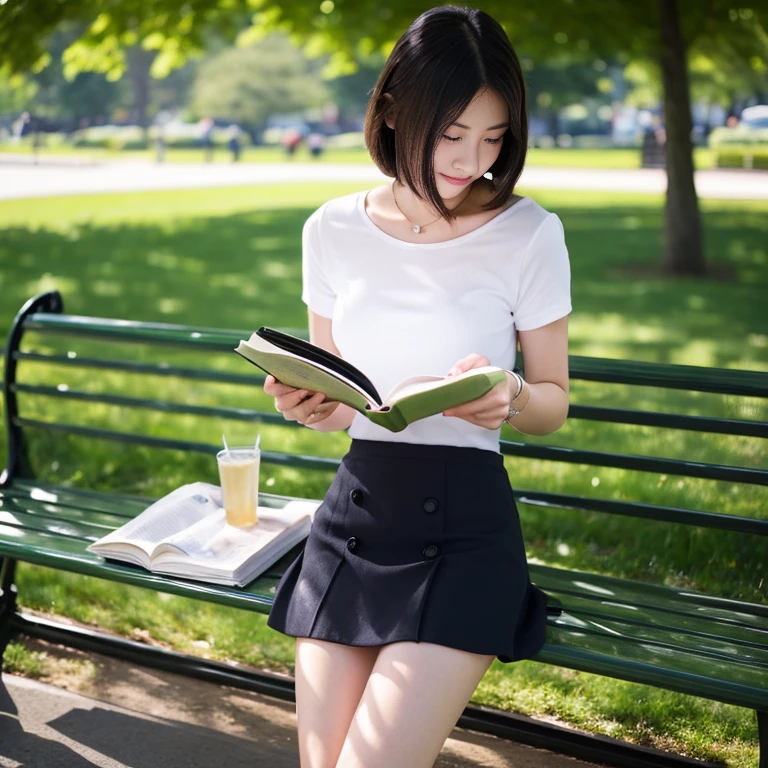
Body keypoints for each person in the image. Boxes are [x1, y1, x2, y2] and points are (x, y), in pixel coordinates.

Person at [264, 6, 571, 767]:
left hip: (467, 530)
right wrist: (311, 405)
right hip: (357, 517)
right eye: (452, 134)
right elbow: (341, 407)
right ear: (396, 111)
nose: (473, 162)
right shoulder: (331, 229)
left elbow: (554, 402)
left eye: (494, 138)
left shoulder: (529, 233)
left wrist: (514, 396)